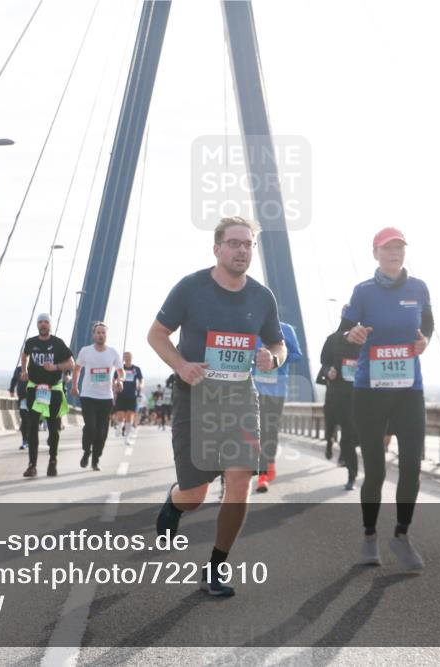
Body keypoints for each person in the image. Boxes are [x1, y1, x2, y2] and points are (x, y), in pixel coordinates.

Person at [148, 216, 285, 597]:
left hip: (241, 398)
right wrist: (181, 365)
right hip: (196, 398)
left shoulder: (262, 297)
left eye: (248, 245)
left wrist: (272, 359)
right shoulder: (190, 288)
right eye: (235, 243)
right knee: (195, 496)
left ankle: (215, 568)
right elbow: (157, 334)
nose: (243, 250)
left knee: (239, 483)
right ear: (217, 248)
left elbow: (278, 344)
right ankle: (174, 505)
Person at [340, 226, 433, 570]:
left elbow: (428, 325)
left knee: (411, 467)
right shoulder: (363, 291)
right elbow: (341, 334)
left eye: (399, 248)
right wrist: (353, 333)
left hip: (409, 390)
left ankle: (402, 535)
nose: (395, 253)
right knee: (376, 471)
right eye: (387, 248)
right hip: (369, 391)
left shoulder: (419, 288)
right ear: (375, 253)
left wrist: (425, 342)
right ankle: (368, 538)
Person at [20, 313, 73, 477]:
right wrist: (24, 370)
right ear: (37, 325)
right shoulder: (31, 342)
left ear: (50, 325)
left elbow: (71, 363)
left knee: (53, 428)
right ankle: (32, 465)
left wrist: (56, 367)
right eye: (40, 322)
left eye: (46, 322)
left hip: (53, 390)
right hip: (35, 389)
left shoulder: (58, 343)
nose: (43, 325)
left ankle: (52, 461)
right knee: (32, 426)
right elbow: (25, 355)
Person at [252, 321, 302, 493]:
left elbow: (297, 355)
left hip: (276, 389)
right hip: (253, 387)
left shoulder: (286, 329)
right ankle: (262, 471)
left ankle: (267, 468)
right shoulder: (252, 327)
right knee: (254, 429)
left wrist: (275, 359)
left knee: (269, 430)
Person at [71, 321, 123, 471]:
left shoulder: (113, 352)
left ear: (106, 335)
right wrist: (74, 386)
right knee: (91, 428)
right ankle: (86, 451)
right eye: (98, 332)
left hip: (106, 397)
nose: (101, 335)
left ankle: (96, 459)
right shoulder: (85, 351)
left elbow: (121, 371)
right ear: (94, 335)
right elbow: (77, 369)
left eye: (103, 333)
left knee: (102, 432)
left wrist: (120, 380)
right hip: (88, 395)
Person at [320, 315, 362, 490]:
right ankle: (330, 444)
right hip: (337, 395)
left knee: (350, 438)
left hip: (359, 397)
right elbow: (323, 363)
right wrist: (328, 370)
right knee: (337, 430)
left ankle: (352, 473)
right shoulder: (332, 340)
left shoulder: (367, 340)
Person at [115, 351, 143, 445]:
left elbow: (141, 379)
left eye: (129, 356)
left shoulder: (136, 369)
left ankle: (127, 438)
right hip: (121, 394)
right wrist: (116, 385)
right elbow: (115, 380)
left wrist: (141, 385)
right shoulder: (120, 369)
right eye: (125, 356)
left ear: (132, 357)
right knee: (120, 416)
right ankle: (119, 426)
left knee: (130, 417)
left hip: (132, 395)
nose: (127, 358)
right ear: (123, 358)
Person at [9, 365, 28, 450]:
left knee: (33, 421)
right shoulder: (19, 369)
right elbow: (14, 379)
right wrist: (12, 390)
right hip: (23, 398)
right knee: (24, 420)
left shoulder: (37, 367)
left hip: (35, 398)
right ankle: (25, 441)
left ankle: (31, 440)